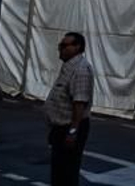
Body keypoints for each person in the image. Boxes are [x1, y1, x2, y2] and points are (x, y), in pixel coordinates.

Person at [45, 31, 93, 186]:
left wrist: (72, 132)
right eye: (60, 45)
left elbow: (79, 104)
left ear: (77, 47)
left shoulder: (80, 70)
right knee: (59, 171)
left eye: (64, 45)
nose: (60, 48)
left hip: (69, 128)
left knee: (67, 173)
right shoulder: (69, 67)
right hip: (61, 127)